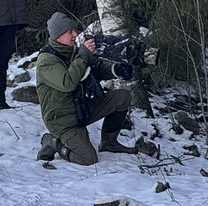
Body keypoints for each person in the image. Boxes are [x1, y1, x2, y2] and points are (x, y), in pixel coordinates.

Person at [34, 12, 157, 164]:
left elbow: (96, 67)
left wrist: (116, 70)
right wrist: (83, 56)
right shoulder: (46, 61)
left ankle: (109, 143)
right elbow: (67, 82)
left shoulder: (73, 50)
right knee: (88, 158)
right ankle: (53, 142)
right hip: (62, 122)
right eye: (70, 32)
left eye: (74, 30)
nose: (75, 34)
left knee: (122, 97)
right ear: (58, 36)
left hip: (81, 111)